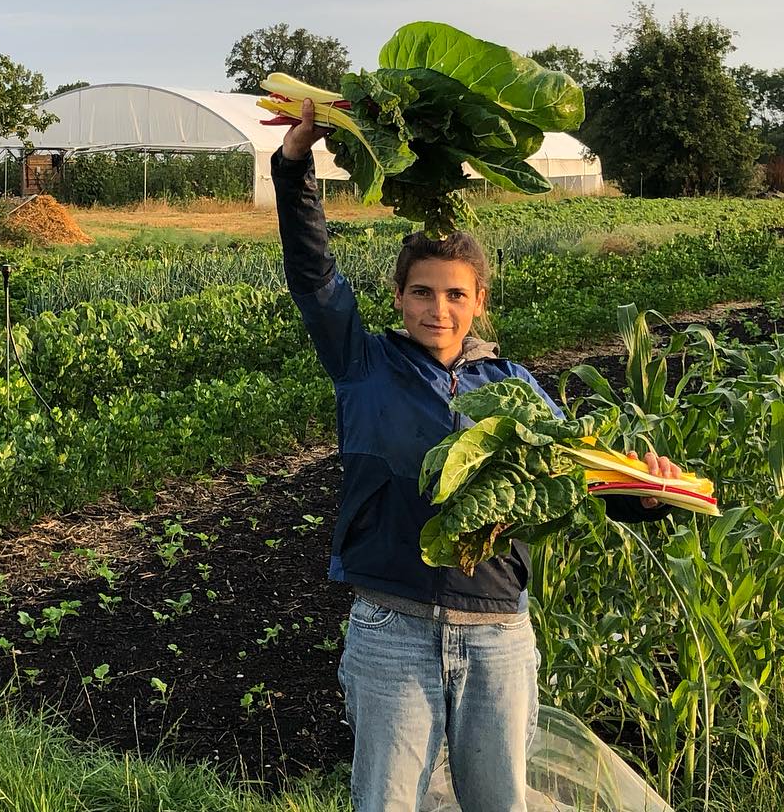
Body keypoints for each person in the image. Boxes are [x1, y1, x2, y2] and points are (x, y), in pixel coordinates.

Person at [273, 101, 682, 812]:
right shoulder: (362, 364)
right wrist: (295, 165)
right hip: (392, 628)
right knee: (388, 804)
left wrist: (642, 494)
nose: (438, 309)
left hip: (497, 633)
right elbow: (313, 278)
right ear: (398, 298)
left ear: (479, 301)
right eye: (422, 293)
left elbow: (567, 471)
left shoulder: (512, 387)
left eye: (455, 294)